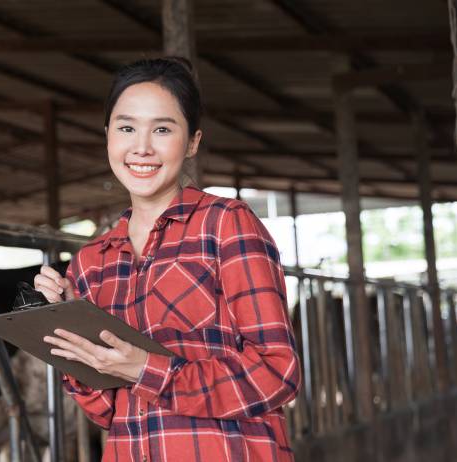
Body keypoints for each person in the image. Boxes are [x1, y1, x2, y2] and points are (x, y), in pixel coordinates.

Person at [35, 57, 301, 461]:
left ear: (192, 142)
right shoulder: (91, 261)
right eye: (126, 128)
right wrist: (72, 324)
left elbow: (277, 372)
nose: (141, 147)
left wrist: (146, 368)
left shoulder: (227, 224)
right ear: (108, 135)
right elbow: (107, 410)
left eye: (162, 129)